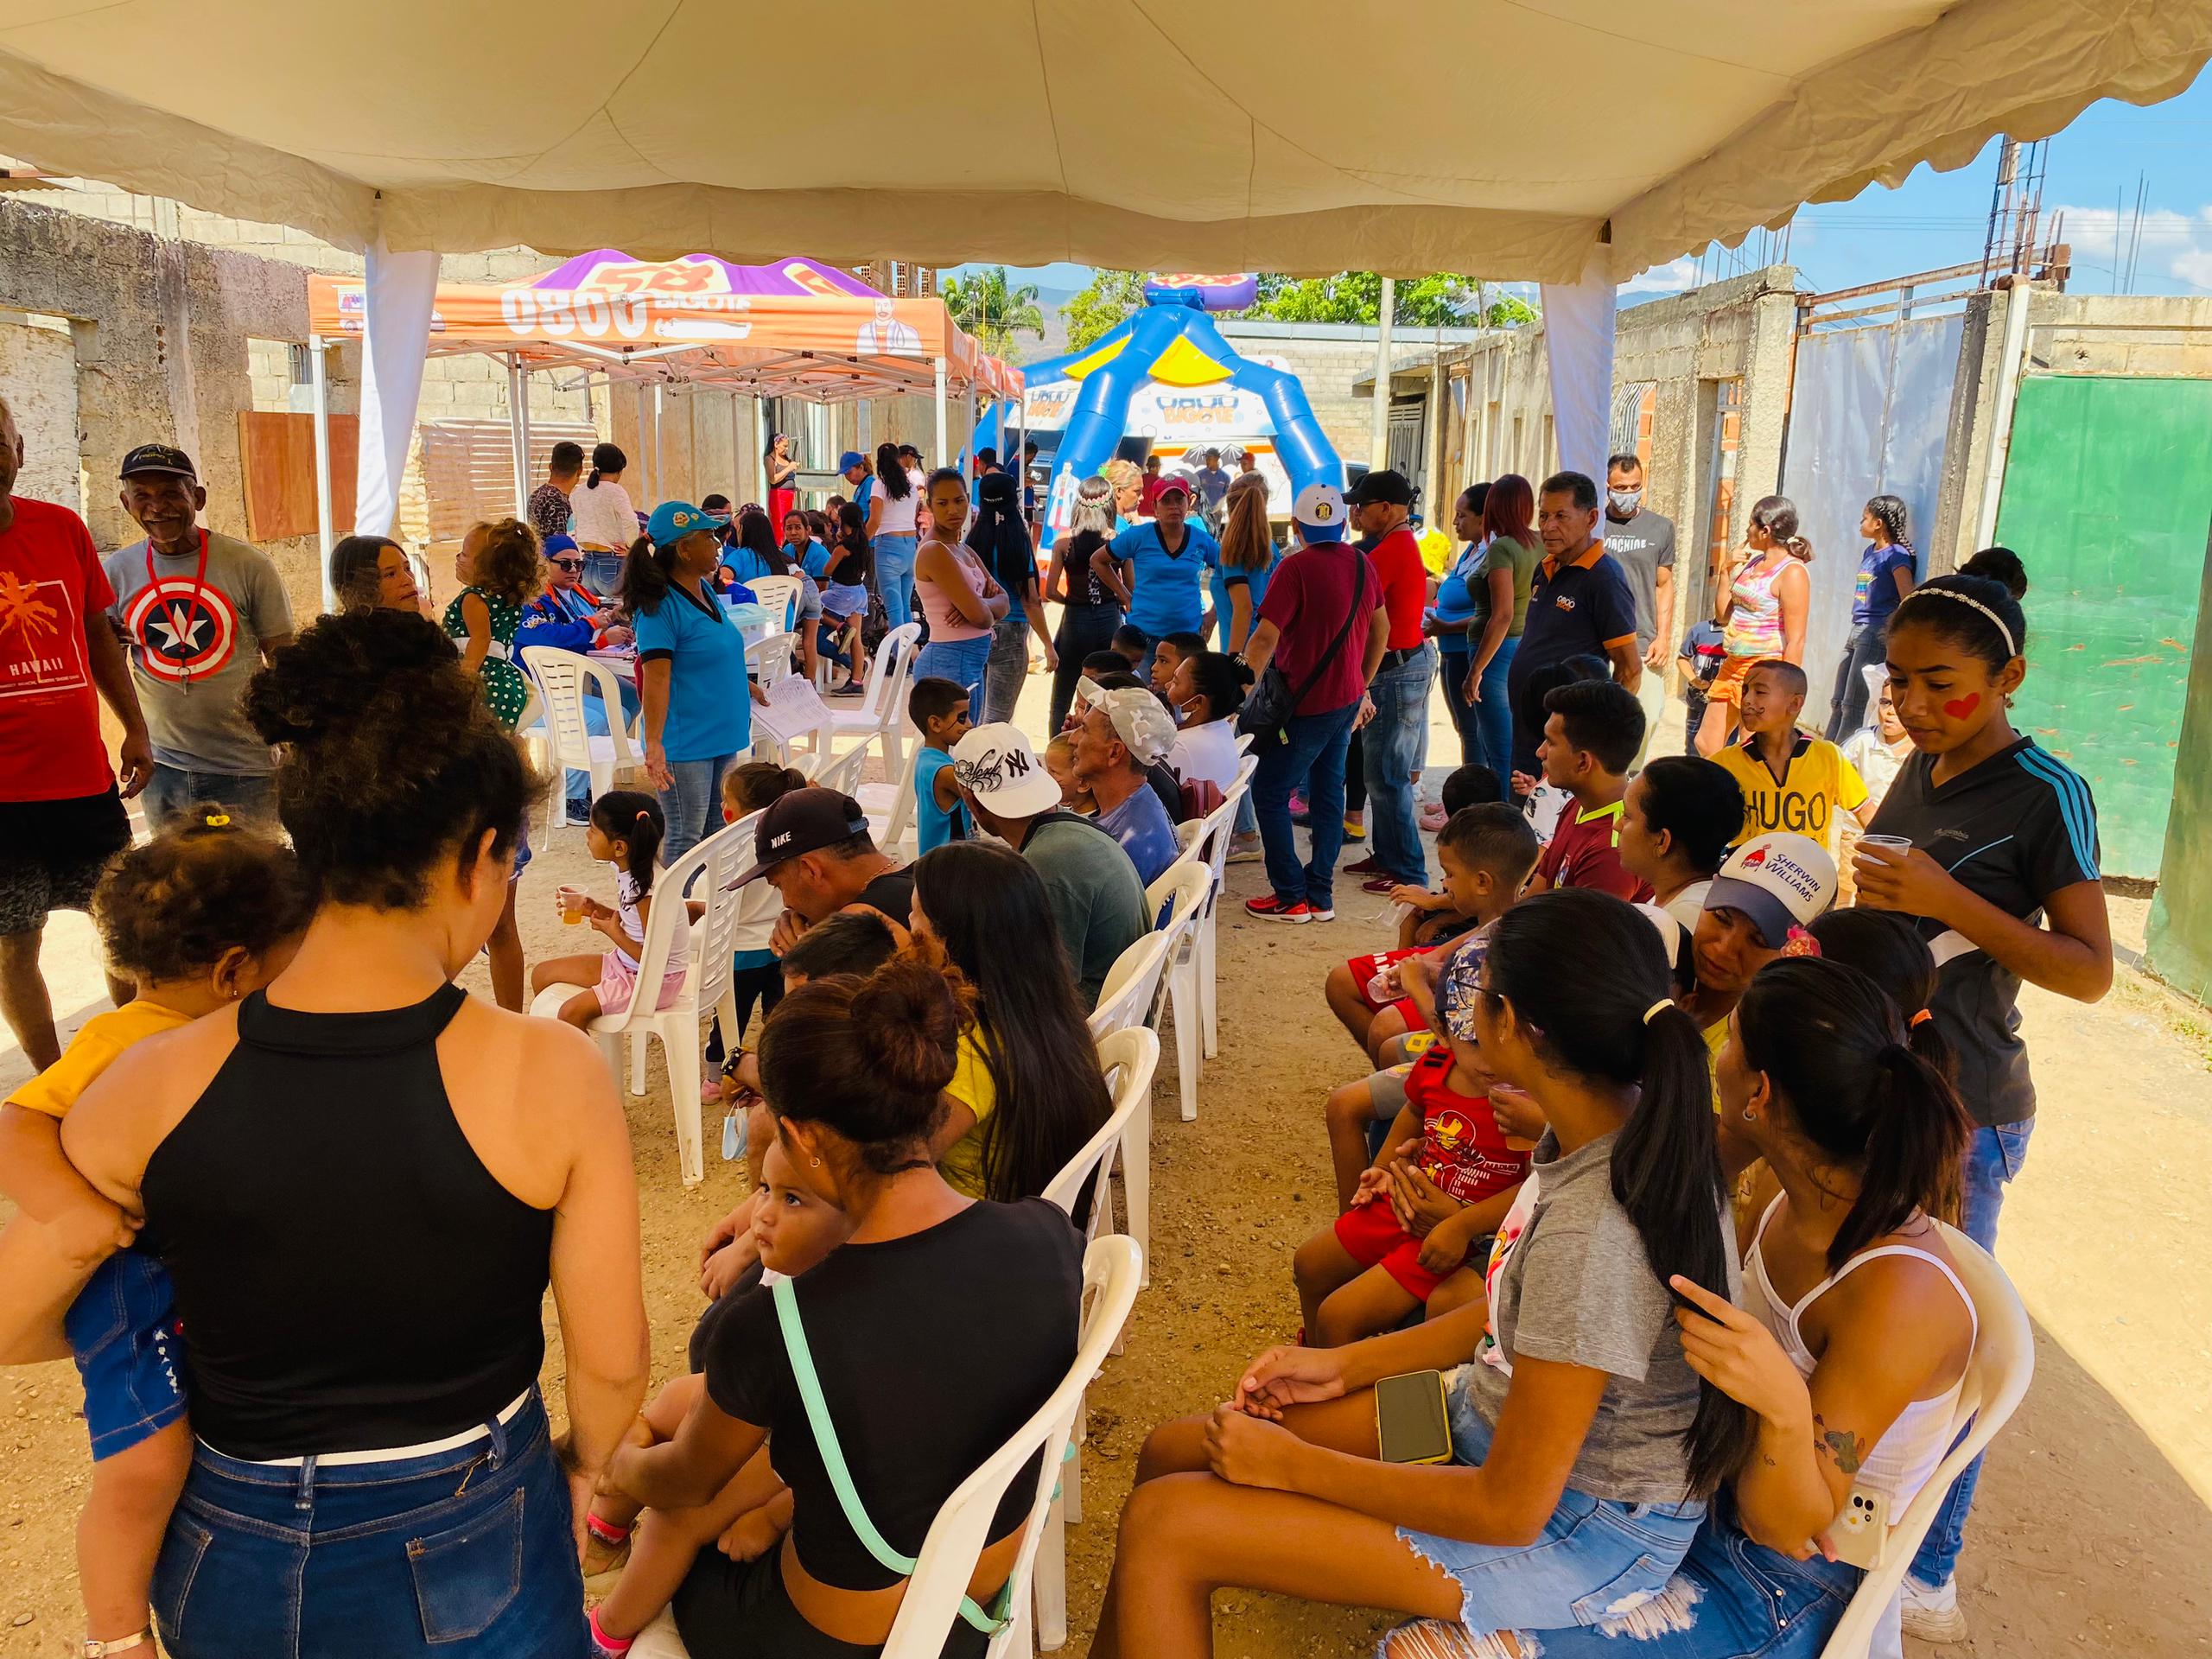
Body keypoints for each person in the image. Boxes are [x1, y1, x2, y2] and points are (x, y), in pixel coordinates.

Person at [34, 608, 649, 1658]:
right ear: (478, 858)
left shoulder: (150, 1081)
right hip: (470, 1515)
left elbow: (16, 1322)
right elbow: (611, 1360)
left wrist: (93, 1219)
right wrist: (591, 1469)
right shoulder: (546, 1071)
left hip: (229, 1540)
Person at [1094, 889, 1747, 1659]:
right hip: (1490, 1423)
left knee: (1170, 1528)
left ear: (1512, 1025)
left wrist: (1296, 1467)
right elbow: (1516, 1322)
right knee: (1177, 1452)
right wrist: (1340, 1366)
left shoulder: (1595, 1224)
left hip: (1581, 1531)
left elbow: (1509, 1508)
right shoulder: (1603, 1133)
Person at [1455, 954, 1977, 1659]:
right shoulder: (1780, 1180)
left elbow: (1787, 1526)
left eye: (1727, 1044)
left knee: (1434, 1646)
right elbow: (1652, 1144)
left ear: (1759, 1092)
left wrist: (1786, 1410)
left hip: (1780, 1581)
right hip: (1683, 1500)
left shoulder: (1898, 1297)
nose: (1713, 1059)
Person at [605, 956, 1081, 1659]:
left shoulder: (779, 1325)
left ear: (800, 1139)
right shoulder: (1051, 1234)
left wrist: (621, 1468)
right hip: (970, 1614)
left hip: (829, 1639)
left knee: (677, 1534)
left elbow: (685, 1481)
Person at [1853, 573, 2110, 1637]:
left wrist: (1947, 902)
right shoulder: (1921, 763)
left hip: (1971, 1111)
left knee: (1950, 1351)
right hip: (1884, 1084)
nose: (1911, 704)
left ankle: (1929, 1570)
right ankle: (1863, 1527)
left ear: (2007, 678)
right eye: (1899, 680)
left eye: (1940, 684)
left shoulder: (2045, 792)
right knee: (1873, 1318)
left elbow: (2091, 970)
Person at [0, 813, 312, 1657]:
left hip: (193, 1269)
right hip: (129, 1284)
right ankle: (116, 1635)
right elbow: (17, 1124)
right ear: (232, 971)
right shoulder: (124, 1040)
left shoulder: (232, 1030)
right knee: (146, 1464)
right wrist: (76, 1212)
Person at [583, 1135, 849, 1657]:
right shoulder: (798, 1279)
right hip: (782, 1417)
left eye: (792, 1200)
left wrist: (773, 1514)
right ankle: (607, 1533)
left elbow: (862, 1455)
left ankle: (605, 1634)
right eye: (764, 1191)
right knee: (672, 1403)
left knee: (679, 1516)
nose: (763, 1216)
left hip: (805, 1453)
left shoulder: (839, 1315)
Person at [0, 397, 151, 1073]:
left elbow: (96, 634)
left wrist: (134, 728)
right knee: (12, 945)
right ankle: (53, 1074)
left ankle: (133, 1056)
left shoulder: (61, 528)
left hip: (82, 781)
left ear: (20, 447)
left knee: (123, 923)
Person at [1296, 944, 1531, 1344]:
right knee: (1309, 1265)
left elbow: (1533, 1183)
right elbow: (1413, 1111)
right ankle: (1312, 1353)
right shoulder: (1436, 1066)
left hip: (1459, 1235)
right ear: (1441, 1032)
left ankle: (1331, 1384)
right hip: (1406, 1200)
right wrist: (1382, 1168)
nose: (1491, 1059)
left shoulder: (1524, 1099)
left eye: (1505, 1042)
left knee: (1341, 1316)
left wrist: (1462, 1227)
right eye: (1474, 1042)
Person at [1319, 804, 1539, 1198]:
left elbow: (1451, 1038)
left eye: (1450, 875)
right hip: (1461, 1068)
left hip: (1469, 1077)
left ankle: (1366, 1209)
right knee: (1387, 1056)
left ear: (1484, 881)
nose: (1445, 883)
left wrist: (1417, 981)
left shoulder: (1490, 953)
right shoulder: (1506, 931)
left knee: (1348, 1101)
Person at [103, 443, 296, 830]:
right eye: (143, 496)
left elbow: (283, 660)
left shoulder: (248, 565)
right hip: (164, 769)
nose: (158, 507)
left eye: (172, 493)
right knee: (175, 883)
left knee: (255, 881)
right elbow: (107, 658)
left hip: (247, 768)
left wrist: (293, 738)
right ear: (126, 503)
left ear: (198, 497)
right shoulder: (116, 571)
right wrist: (134, 733)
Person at [910, 842, 1115, 1199]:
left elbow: (899, 1164)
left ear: (950, 940)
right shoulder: (1039, 1009)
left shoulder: (968, 1052)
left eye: (915, 915)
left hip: (975, 1230)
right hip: (1035, 1212)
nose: (908, 927)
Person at [1241, 482, 1389, 925]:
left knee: (1268, 791)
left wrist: (1241, 688)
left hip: (1303, 705)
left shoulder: (1294, 569)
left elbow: (1266, 637)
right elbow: (1381, 628)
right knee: (1329, 795)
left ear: (1299, 528)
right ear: (1343, 524)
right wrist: (1363, 683)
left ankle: (1290, 894)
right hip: (1344, 700)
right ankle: (1320, 894)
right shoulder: (1363, 564)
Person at [947, 723, 1144, 1006]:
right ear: (1037, 769)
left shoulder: (1046, 865)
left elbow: (1046, 989)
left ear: (972, 804)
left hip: (1098, 1017)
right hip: (1121, 1000)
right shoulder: (1068, 829)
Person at [628, 501, 764, 861]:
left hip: (721, 732)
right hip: (686, 740)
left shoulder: (703, 592)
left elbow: (713, 651)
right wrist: (654, 743)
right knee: (686, 834)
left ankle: (705, 910)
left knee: (716, 829)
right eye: (708, 537)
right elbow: (656, 679)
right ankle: (678, 914)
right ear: (683, 549)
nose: (718, 544)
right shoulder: (659, 608)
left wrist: (743, 684)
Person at [1505, 471, 1640, 780]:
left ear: (1591, 518)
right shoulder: (1546, 567)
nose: (1549, 526)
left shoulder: (1604, 579)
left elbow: (1629, 669)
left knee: (1552, 823)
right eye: (1544, 516)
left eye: (1561, 516)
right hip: (1529, 729)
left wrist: (1597, 735)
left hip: (1565, 741)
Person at [1339, 470, 1436, 895]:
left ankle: (1409, 870)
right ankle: (1389, 856)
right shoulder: (1393, 544)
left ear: (1386, 508)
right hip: (1394, 667)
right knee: (1378, 771)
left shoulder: (1392, 549)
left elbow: (1351, 593)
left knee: (1389, 774)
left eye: (1361, 505)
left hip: (1396, 670)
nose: (1356, 513)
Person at [530, 790, 691, 1030]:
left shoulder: (646, 890)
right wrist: (596, 910)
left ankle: (581, 1067)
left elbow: (653, 958)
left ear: (619, 847)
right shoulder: (628, 869)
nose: (587, 835)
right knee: (541, 974)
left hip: (654, 981)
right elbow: (631, 922)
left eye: (593, 831)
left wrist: (612, 933)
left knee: (570, 1013)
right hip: (626, 964)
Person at [1680, 832, 1838, 1074]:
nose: (1725, 949)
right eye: (1722, 917)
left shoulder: (1757, 1056)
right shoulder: (1654, 957)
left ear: (1800, 951)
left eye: (1759, 940)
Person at [518, 532, 637, 825]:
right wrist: (596, 633)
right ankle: (573, 797)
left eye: (579, 564)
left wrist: (613, 619)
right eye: (565, 564)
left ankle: (599, 780)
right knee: (600, 718)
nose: (574, 571)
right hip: (540, 687)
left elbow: (593, 615)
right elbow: (549, 639)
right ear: (543, 565)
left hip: (574, 677)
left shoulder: (578, 592)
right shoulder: (530, 600)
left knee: (629, 696)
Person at [1712, 658, 1867, 860]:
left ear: (1795, 703)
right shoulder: (1724, 764)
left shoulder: (1829, 758)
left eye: (1760, 692)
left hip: (1808, 881)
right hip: (1749, 879)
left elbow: (1866, 813)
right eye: (1745, 691)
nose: (1748, 699)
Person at [1697, 495, 1812, 757]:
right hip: (1733, 665)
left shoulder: (1792, 572)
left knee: (1754, 750)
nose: (1747, 531)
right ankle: (1716, 792)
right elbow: (1724, 615)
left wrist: (1786, 690)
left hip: (1765, 670)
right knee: (1707, 743)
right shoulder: (1752, 564)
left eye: (1750, 524)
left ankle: (1746, 796)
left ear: (1765, 530)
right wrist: (1726, 571)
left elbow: (1797, 639)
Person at [743, 787, 916, 960]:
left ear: (811, 870)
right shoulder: (921, 879)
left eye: (779, 886)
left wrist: (805, 955)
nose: (787, 903)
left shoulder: (860, 930)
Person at [1522, 679, 1652, 901]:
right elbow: (1538, 893)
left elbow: (1582, 935)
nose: (1540, 752)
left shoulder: (1614, 851)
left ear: (1583, 762)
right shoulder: (1578, 804)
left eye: (1551, 743)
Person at [1457, 475, 1541, 783]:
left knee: (1499, 747)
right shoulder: (1539, 543)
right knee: (1509, 739)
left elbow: (1502, 614)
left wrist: (1475, 670)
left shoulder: (1503, 548)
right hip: (1524, 646)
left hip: (1495, 652)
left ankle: (1504, 819)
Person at [1096, 474, 1220, 679]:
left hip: (1186, 640)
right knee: (1139, 700)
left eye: (1179, 500)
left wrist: (1214, 614)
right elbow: (1098, 560)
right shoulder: (1139, 536)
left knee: (1185, 704)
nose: (1174, 507)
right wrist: (1124, 596)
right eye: (1166, 501)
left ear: (1188, 503)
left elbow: (1228, 572)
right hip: (1144, 641)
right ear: (1155, 507)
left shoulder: (1200, 539)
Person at [913, 467, 1008, 717]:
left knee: (966, 748)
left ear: (968, 499)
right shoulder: (934, 551)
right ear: (929, 505)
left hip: (970, 661)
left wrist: (976, 603)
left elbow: (1005, 602)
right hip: (948, 662)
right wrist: (980, 606)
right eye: (942, 503)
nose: (952, 510)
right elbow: (982, 618)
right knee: (951, 750)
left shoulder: (962, 549)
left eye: (959, 501)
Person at [1603, 453, 1678, 764]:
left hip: (1643, 644)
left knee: (1646, 717)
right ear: (1607, 485)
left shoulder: (1660, 528)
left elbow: (1664, 584)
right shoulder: (1593, 526)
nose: (1627, 493)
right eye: (1620, 487)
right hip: (1599, 644)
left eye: (1634, 486)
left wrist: (1663, 636)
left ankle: (1629, 779)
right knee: (1600, 722)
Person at [1618, 755, 1747, 937]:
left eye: (1627, 816)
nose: (1617, 825)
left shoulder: (1680, 922)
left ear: (1662, 841)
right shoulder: (1681, 900)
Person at [1823, 493, 1916, 741]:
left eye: (1865, 518)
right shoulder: (1869, 551)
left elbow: (1907, 596)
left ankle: (1842, 760)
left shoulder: (1897, 555)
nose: (1861, 523)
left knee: (1852, 704)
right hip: (1857, 629)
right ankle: (1827, 753)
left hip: (1874, 633)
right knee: (1838, 700)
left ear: (1879, 523)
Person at [1072, 685, 1180, 886]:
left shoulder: (1122, 845)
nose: (1073, 739)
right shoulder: (1140, 803)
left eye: (1085, 730)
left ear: (1114, 753)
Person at [444, 516, 541, 734]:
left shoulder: (472, 598)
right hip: (506, 682)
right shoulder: (507, 600)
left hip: (485, 683)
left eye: (465, 554)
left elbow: (481, 639)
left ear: (486, 567)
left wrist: (465, 677)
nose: (458, 557)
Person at [970, 469, 1052, 721]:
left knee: (975, 715)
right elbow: (1030, 600)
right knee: (998, 718)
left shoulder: (972, 541)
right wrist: (1048, 645)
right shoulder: (1017, 541)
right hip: (1012, 632)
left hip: (977, 630)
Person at [1046, 476, 1125, 734]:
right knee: (1109, 689)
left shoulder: (1063, 545)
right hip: (1109, 615)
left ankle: (1057, 749)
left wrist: (1070, 601)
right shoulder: (1117, 543)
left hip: (1075, 619)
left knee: (1063, 694)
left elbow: (1049, 591)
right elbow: (1130, 589)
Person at [1429, 483, 1490, 766]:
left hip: (1471, 652)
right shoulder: (1471, 551)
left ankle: (1473, 801)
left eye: (1462, 515)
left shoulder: (1494, 554)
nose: (1455, 522)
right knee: (1464, 729)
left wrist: (1447, 626)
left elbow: (1494, 613)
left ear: (1483, 518)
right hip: (1452, 650)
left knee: (1474, 730)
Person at [1164, 650, 1250, 799]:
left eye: (1175, 682)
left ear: (1197, 702)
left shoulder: (1180, 747)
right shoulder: (1222, 726)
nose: (1167, 685)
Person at [1210, 472, 1276, 655]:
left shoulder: (1232, 549)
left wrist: (1234, 659)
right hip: (1269, 647)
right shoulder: (1272, 549)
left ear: (1230, 505)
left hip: (1243, 650)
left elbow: (1244, 607)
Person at [907, 676, 974, 853]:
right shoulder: (944, 772)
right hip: (948, 866)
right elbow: (986, 793)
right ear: (936, 723)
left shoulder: (928, 758)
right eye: (962, 718)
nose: (970, 724)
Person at [861, 442, 922, 628]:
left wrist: (860, 544)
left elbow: (875, 520)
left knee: (893, 609)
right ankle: (908, 652)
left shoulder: (879, 485)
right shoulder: (911, 487)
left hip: (888, 545)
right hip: (910, 547)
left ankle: (897, 654)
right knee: (905, 607)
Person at [572, 441, 642, 596]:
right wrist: (631, 547)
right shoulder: (616, 491)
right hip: (611, 564)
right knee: (623, 616)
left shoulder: (579, 492)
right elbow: (631, 521)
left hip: (586, 566)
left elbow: (576, 524)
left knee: (597, 616)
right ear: (619, 471)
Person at [328, 531, 432, 617]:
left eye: (407, 568)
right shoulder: (347, 641)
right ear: (361, 587)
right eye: (390, 574)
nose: (409, 580)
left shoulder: (426, 635)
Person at [1676, 617, 1727, 756]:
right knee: (1693, 748)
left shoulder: (1742, 635)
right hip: (1698, 702)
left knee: (1724, 750)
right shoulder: (1700, 630)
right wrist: (1694, 680)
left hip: (1727, 706)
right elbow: (1682, 659)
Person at [530, 439, 585, 541]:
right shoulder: (559, 503)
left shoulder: (535, 495)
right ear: (580, 471)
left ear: (551, 467)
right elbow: (560, 552)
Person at [764, 431, 798, 531]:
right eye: (784, 446)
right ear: (776, 444)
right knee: (780, 522)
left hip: (789, 495)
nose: (786, 449)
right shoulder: (769, 459)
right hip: (779, 496)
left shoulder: (786, 459)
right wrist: (789, 468)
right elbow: (773, 479)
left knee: (789, 521)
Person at [1194, 447, 1232, 525]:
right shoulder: (1199, 475)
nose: (1207, 461)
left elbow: (1226, 496)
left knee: (1215, 535)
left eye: (1209, 458)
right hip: (1201, 513)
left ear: (1216, 459)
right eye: (1206, 458)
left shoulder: (1225, 477)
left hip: (1217, 514)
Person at [1138, 452, 1167, 517]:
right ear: (1158, 467)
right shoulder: (1161, 482)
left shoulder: (1140, 478)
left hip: (1138, 515)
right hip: (1154, 517)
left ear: (1148, 467)